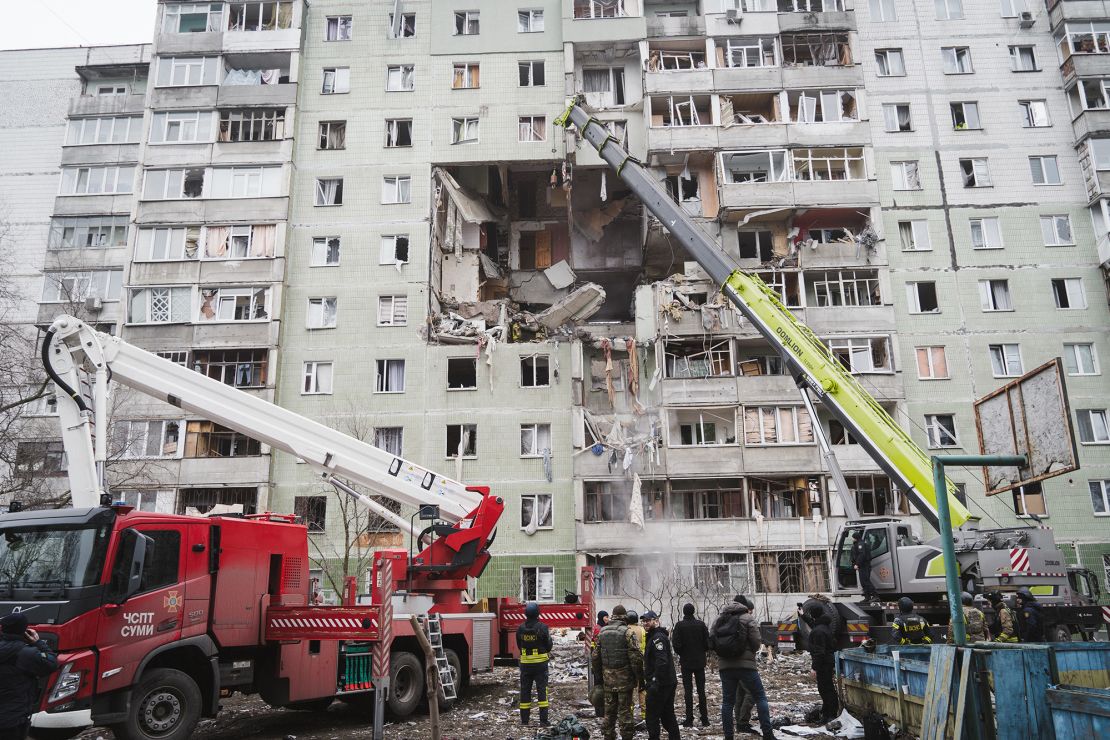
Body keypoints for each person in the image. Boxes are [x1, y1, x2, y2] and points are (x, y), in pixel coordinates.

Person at [710, 595, 776, 740]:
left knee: (727, 702)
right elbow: (756, 641)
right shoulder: (747, 618)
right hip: (746, 666)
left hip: (725, 666)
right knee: (760, 697)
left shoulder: (719, 619)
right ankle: (768, 734)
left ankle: (729, 736)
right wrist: (750, 653)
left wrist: (723, 655)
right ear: (744, 605)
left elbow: (712, 640)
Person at [0, 613, 58, 740]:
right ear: (24, 631)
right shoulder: (26, 654)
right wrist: (38, 642)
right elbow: (52, 663)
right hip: (12, 720)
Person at [592, 604, 642, 740]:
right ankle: (626, 737)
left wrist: (599, 677)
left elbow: (595, 657)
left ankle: (608, 736)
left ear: (612, 617)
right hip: (625, 682)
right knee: (625, 712)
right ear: (624, 618)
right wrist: (639, 677)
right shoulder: (628, 633)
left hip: (607, 680)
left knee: (609, 713)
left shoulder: (602, 632)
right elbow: (635, 659)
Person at [642, 611, 682, 740]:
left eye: (648, 620)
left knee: (652, 715)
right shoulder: (654, 636)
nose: (645, 623)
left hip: (661, 684)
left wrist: (654, 680)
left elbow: (661, 661)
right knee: (667, 715)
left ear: (656, 621)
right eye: (644, 621)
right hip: (666, 682)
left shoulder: (657, 638)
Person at [671, 602, 710, 728]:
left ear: (684, 612)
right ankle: (705, 719)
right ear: (693, 611)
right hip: (699, 661)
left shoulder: (679, 626)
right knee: (701, 691)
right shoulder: (701, 624)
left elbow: (676, 644)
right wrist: (701, 651)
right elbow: (707, 642)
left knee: (688, 691)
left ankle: (689, 719)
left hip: (686, 662)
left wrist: (683, 653)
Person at [516, 601, 552, 727]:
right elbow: (548, 646)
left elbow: (519, 646)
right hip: (540, 665)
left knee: (525, 692)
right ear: (538, 613)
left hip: (525, 666)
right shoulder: (542, 627)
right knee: (542, 692)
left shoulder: (520, 628)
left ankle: (524, 721)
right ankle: (543, 721)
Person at [803, 604, 839, 723]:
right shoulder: (823, 626)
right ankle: (829, 713)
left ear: (813, 615)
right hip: (827, 662)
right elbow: (814, 625)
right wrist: (803, 616)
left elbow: (819, 652)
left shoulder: (818, 632)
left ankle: (829, 716)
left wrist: (814, 668)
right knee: (828, 688)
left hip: (823, 664)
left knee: (825, 689)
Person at [626, 610, 646, 722]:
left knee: (630, 689)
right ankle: (644, 713)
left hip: (629, 664)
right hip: (641, 663)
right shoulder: (642, 630)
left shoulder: (626, 630)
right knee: (642, 688)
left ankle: (630, 711)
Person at [850, 532, 877, 601]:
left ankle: (875, 596)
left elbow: (862, 555)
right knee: (863, 582)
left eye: (853, 537)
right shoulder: (858, 544)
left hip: (864, 565)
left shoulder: (861, 544)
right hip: (862, 566)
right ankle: (867, 597)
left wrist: (857, 564)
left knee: (865, 581)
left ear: (855, 538)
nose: (852, 539)